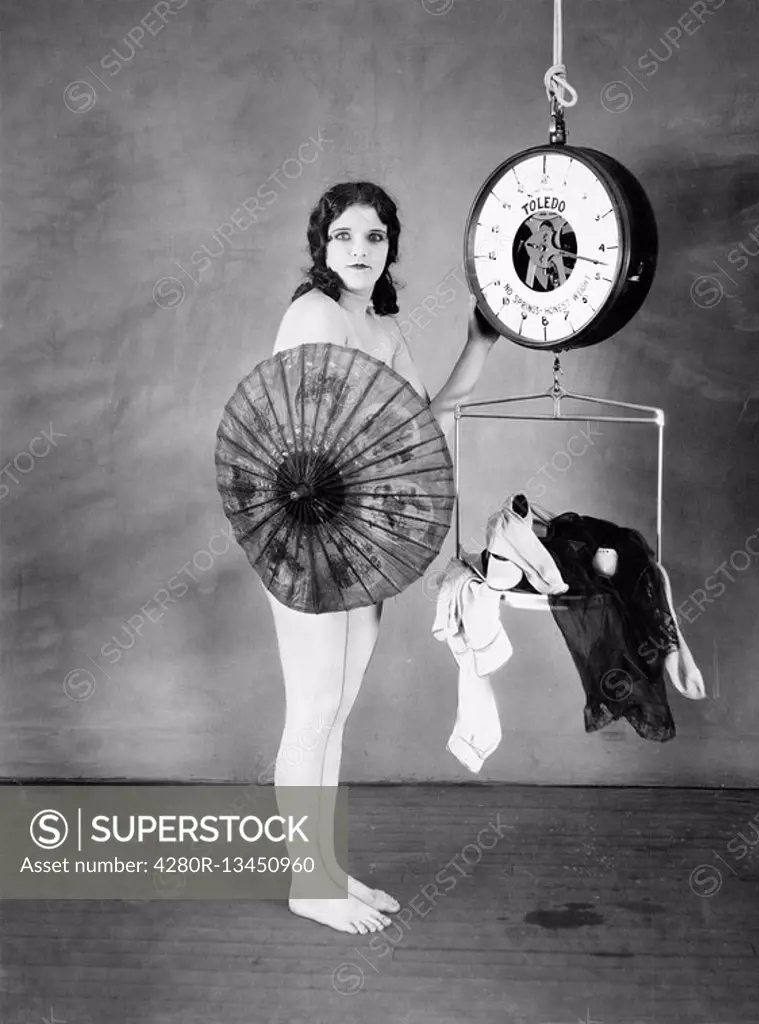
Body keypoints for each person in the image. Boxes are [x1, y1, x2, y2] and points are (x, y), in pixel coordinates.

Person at [266, 181, 499, 934]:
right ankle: (308, 884)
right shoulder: (314, 314)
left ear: (391, 245)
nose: (360, 250)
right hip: (307, 532)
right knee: (310, 712)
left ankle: (326, 870)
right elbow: (300, 435)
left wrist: (478, 344)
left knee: (335, 712)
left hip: (361, 537)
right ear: (321, 246)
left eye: (373, 237)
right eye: (344, 238)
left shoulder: (383, 326)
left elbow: (425, 425)